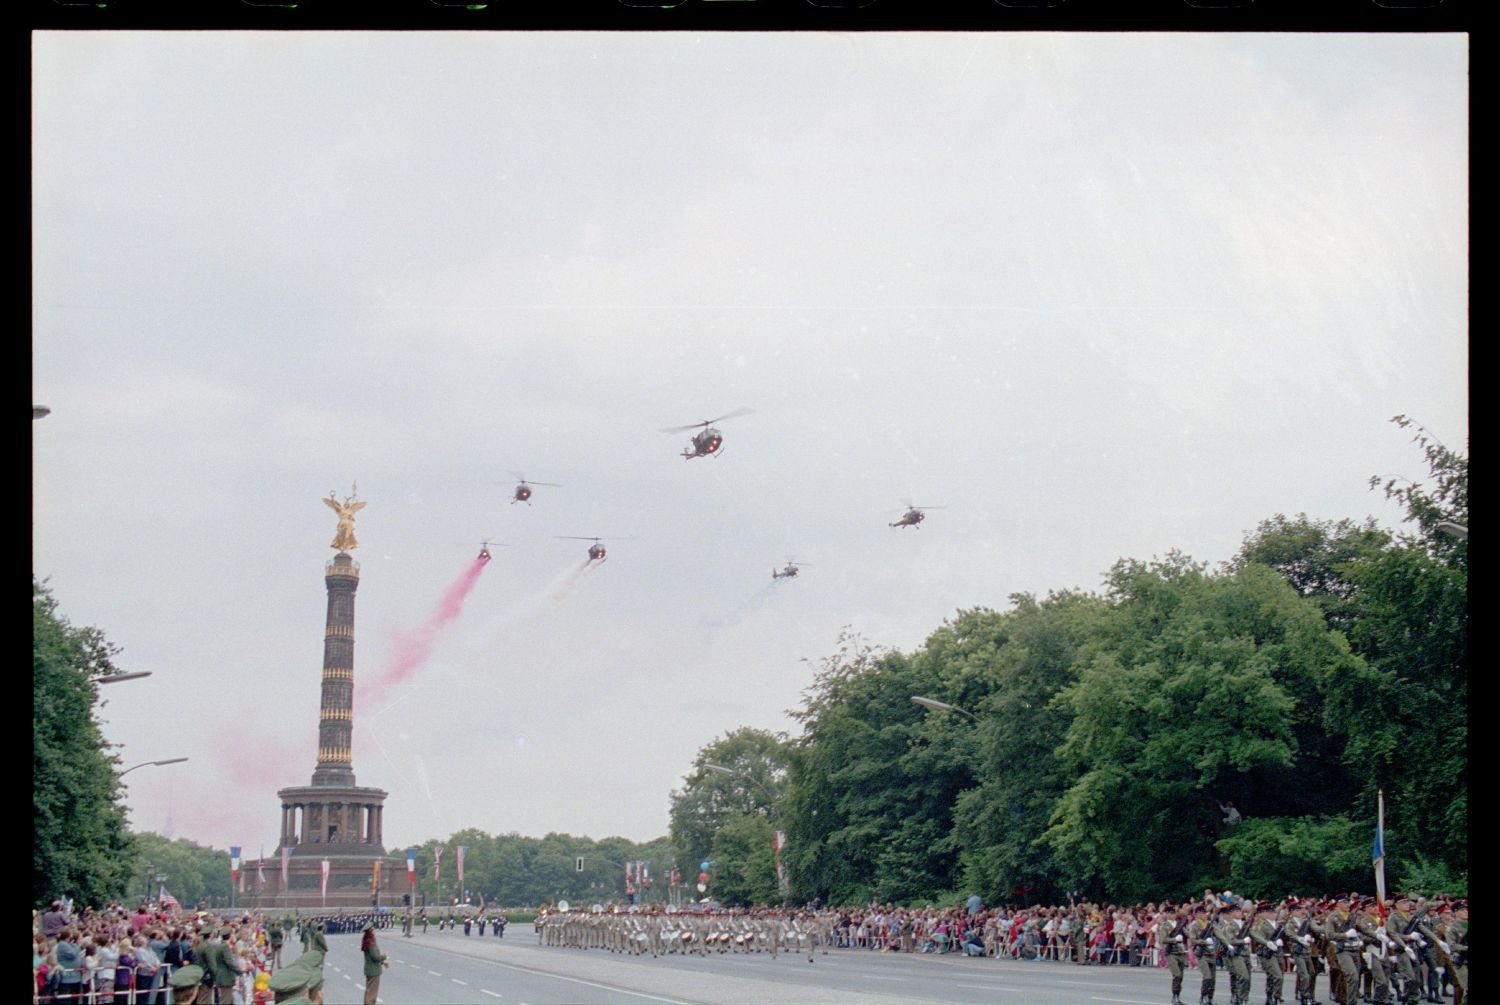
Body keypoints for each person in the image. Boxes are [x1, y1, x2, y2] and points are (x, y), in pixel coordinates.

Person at [1159, 903, 1192, 1005]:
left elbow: (1188, 933)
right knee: (1177, 975)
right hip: (1171, 953)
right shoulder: (1165, 926)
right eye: (1171, 913)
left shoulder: (1179, 924)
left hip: (1180, 952)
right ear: (1167, 914)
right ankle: (1174, 997)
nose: (1173, 915)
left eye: (1174, 913)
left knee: (1181, 976)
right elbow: (1163, 940)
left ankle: (1177, 996)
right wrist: (1174, 939)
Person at [1189, 904, 1220, 1005]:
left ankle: (1210, 998)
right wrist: (1204, 942)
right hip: (1202, 954)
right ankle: (1203, 997)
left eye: (1205, 913)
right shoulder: (1194, 925)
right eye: (1202, 913)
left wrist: (1227, 944)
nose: (1204, 915)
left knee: (1213, 979)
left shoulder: (1210, 924)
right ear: (1197, 915)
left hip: (1211, 953)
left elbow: (1218, 934)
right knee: (1207, 977)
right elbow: (1193, 939)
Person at [360, 921, 389, 1005]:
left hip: (370, 970)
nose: (375, 932)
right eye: (373, 930)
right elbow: (375, 957)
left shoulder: (367, 942)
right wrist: (385, 956)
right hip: (373, 971)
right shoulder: (371, 943)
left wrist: (383, 962)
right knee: (372, 994)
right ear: (371, 932)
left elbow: (372, 957)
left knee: (369, 992)